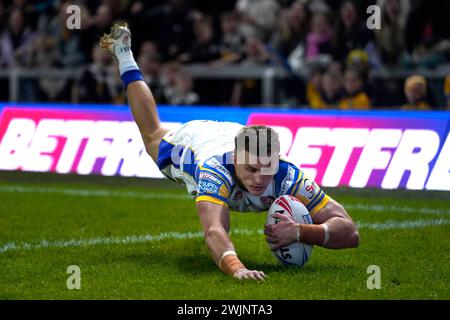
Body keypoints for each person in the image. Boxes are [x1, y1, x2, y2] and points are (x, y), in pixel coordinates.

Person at [100, 24, 359, 282]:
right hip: (198, 141)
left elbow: (350, 233)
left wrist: (302, 231)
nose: (260, 178)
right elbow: (213, 231)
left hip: (236, 134)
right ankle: (125, 55)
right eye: (251, 169)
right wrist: (237, 268)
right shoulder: (214, 172)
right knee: (152, 134)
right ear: (236, 160)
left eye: (267, 168)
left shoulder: (288, 176)